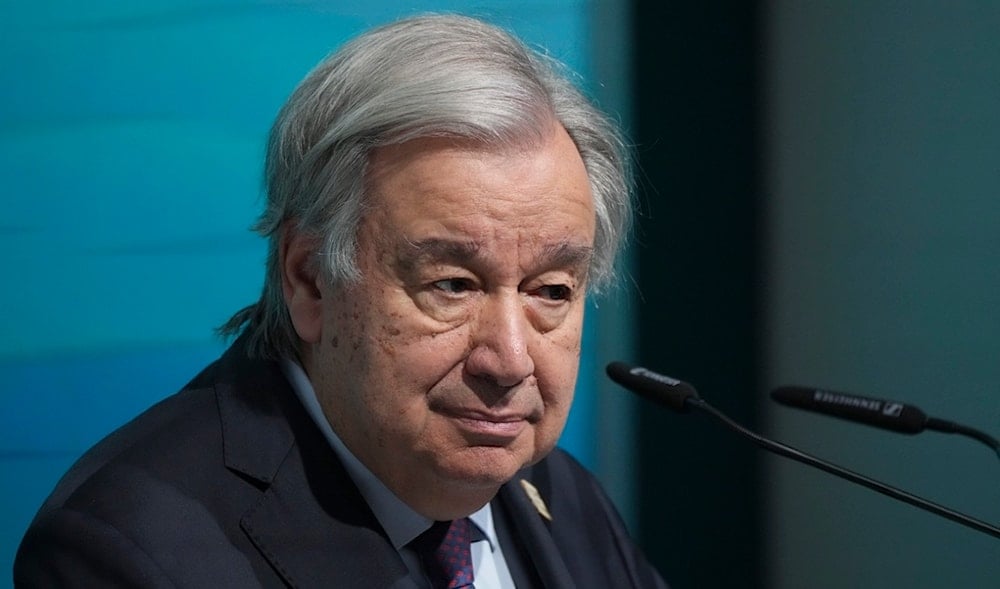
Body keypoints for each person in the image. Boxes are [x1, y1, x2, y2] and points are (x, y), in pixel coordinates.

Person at [14, 13, 667, 588]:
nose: (509, 360)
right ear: (309, 278)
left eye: (551, 290)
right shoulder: (132, 548)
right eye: (452, 284)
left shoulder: (559, 496)